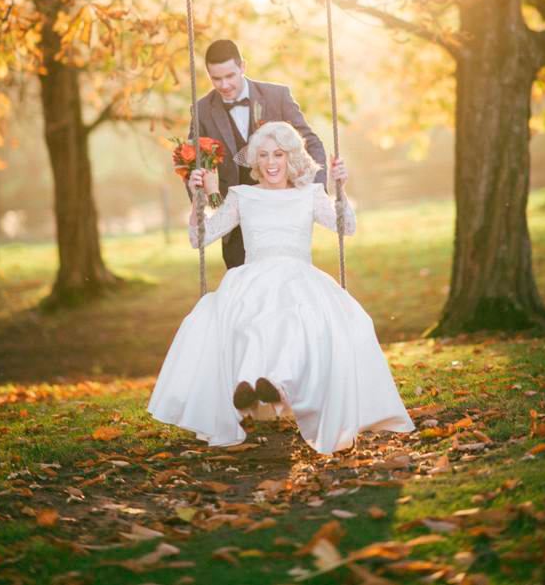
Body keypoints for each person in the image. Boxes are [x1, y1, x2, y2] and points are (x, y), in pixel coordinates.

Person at [148, 121, 414, 455]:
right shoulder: (242, 196)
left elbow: (346, 226)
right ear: (255, 161)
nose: (272, 162)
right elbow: (199, 238)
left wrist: (341, 188)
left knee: (300, 316)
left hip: (299, 274)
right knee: (251, 319)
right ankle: (252, 386)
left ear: (292, 158)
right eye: (263, 155)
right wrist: (197, 199)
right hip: (252, 277)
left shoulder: (310, 194)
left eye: (279, 154)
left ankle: (272, 385)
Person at [188, 39, 326, 270]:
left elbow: (310, 142)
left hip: (282, 211)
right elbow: (194, 163)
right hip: (236, 221)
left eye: (230, 76)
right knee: (245, 292)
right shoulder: (202, 111)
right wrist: (209, 201)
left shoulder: (276, 96)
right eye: (216, 78)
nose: (224, 85)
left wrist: (315, 189)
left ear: (243, 66)